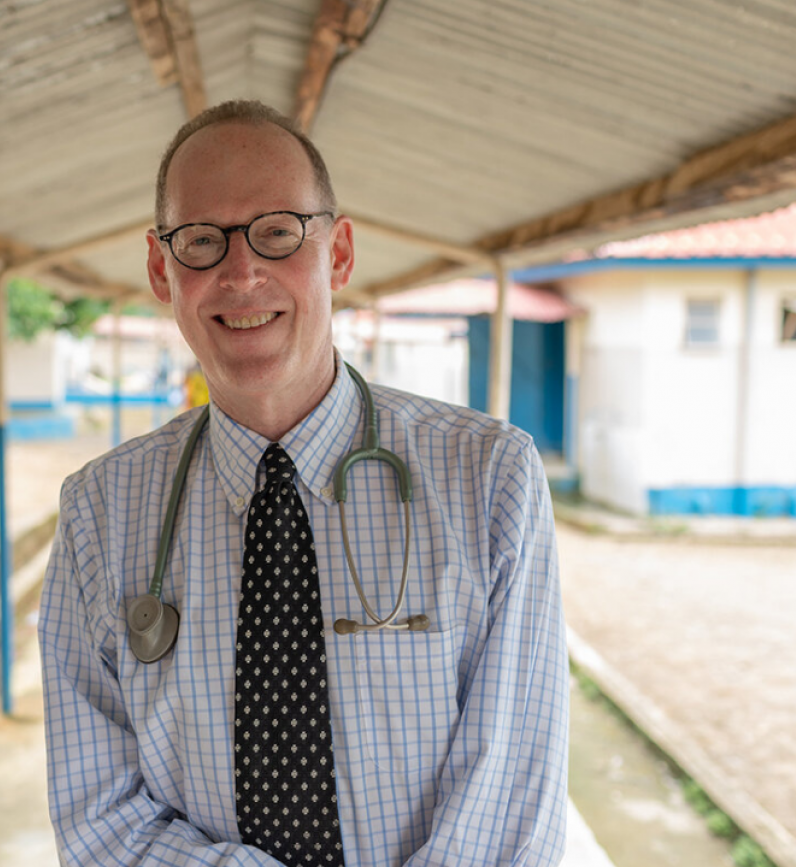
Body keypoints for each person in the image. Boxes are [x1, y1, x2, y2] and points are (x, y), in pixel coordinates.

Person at [39, 100, 568, 866]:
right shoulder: (101, 511)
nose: (241, 271)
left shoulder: (488, 479)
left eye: (279, 231)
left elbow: (511, 802)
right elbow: (98, 816)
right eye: (200, 240)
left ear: (339, 253)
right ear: (162, 269)